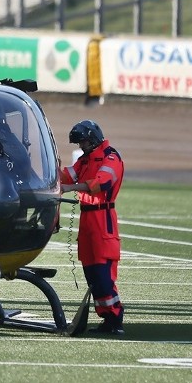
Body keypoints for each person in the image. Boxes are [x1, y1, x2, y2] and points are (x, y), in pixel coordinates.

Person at [61, 120, 126, 335]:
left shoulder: (111, 157)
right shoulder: (85, 160)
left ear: (94, 138)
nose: (82, 146)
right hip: (87, 220)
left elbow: (102, 182)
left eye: (84, 142)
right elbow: (67, 175)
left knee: (102, 274)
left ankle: (115, 317)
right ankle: (106, 318)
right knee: (91, 272)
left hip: (102, 218)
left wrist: (70, 187)